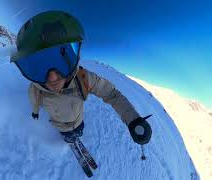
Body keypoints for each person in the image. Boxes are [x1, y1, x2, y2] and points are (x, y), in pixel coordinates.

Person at [10, 10, 152, 145]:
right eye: (41, 69)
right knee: (67, 137)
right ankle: (69, 139)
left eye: (60, 65)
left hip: (78, 122)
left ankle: (75, 136)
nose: (53, 78)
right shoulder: (36, 89)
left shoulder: (83, 78)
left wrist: (132, 119)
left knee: (78, 132)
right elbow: (34, 102)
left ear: (72, 59)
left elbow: (111, 94)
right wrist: (35, 112)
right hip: (60, 126)